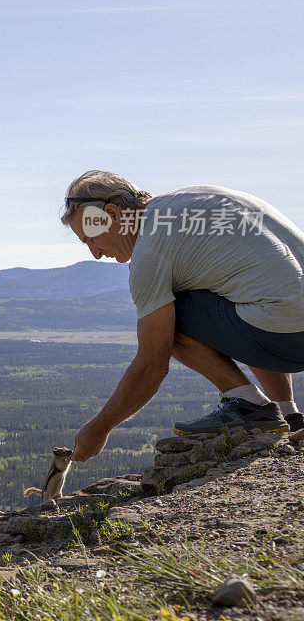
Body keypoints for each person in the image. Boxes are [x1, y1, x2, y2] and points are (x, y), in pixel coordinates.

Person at [62, 170, 304, 463]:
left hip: (287, 337)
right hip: (289, 326)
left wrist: (98, 429)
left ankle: (249, 404)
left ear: (112, 213)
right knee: (249, 293)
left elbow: (152, 364)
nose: (95, 253)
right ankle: (287, 413)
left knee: (165, 316)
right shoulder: (192, 200)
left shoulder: (150, 249)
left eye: (90, 237)